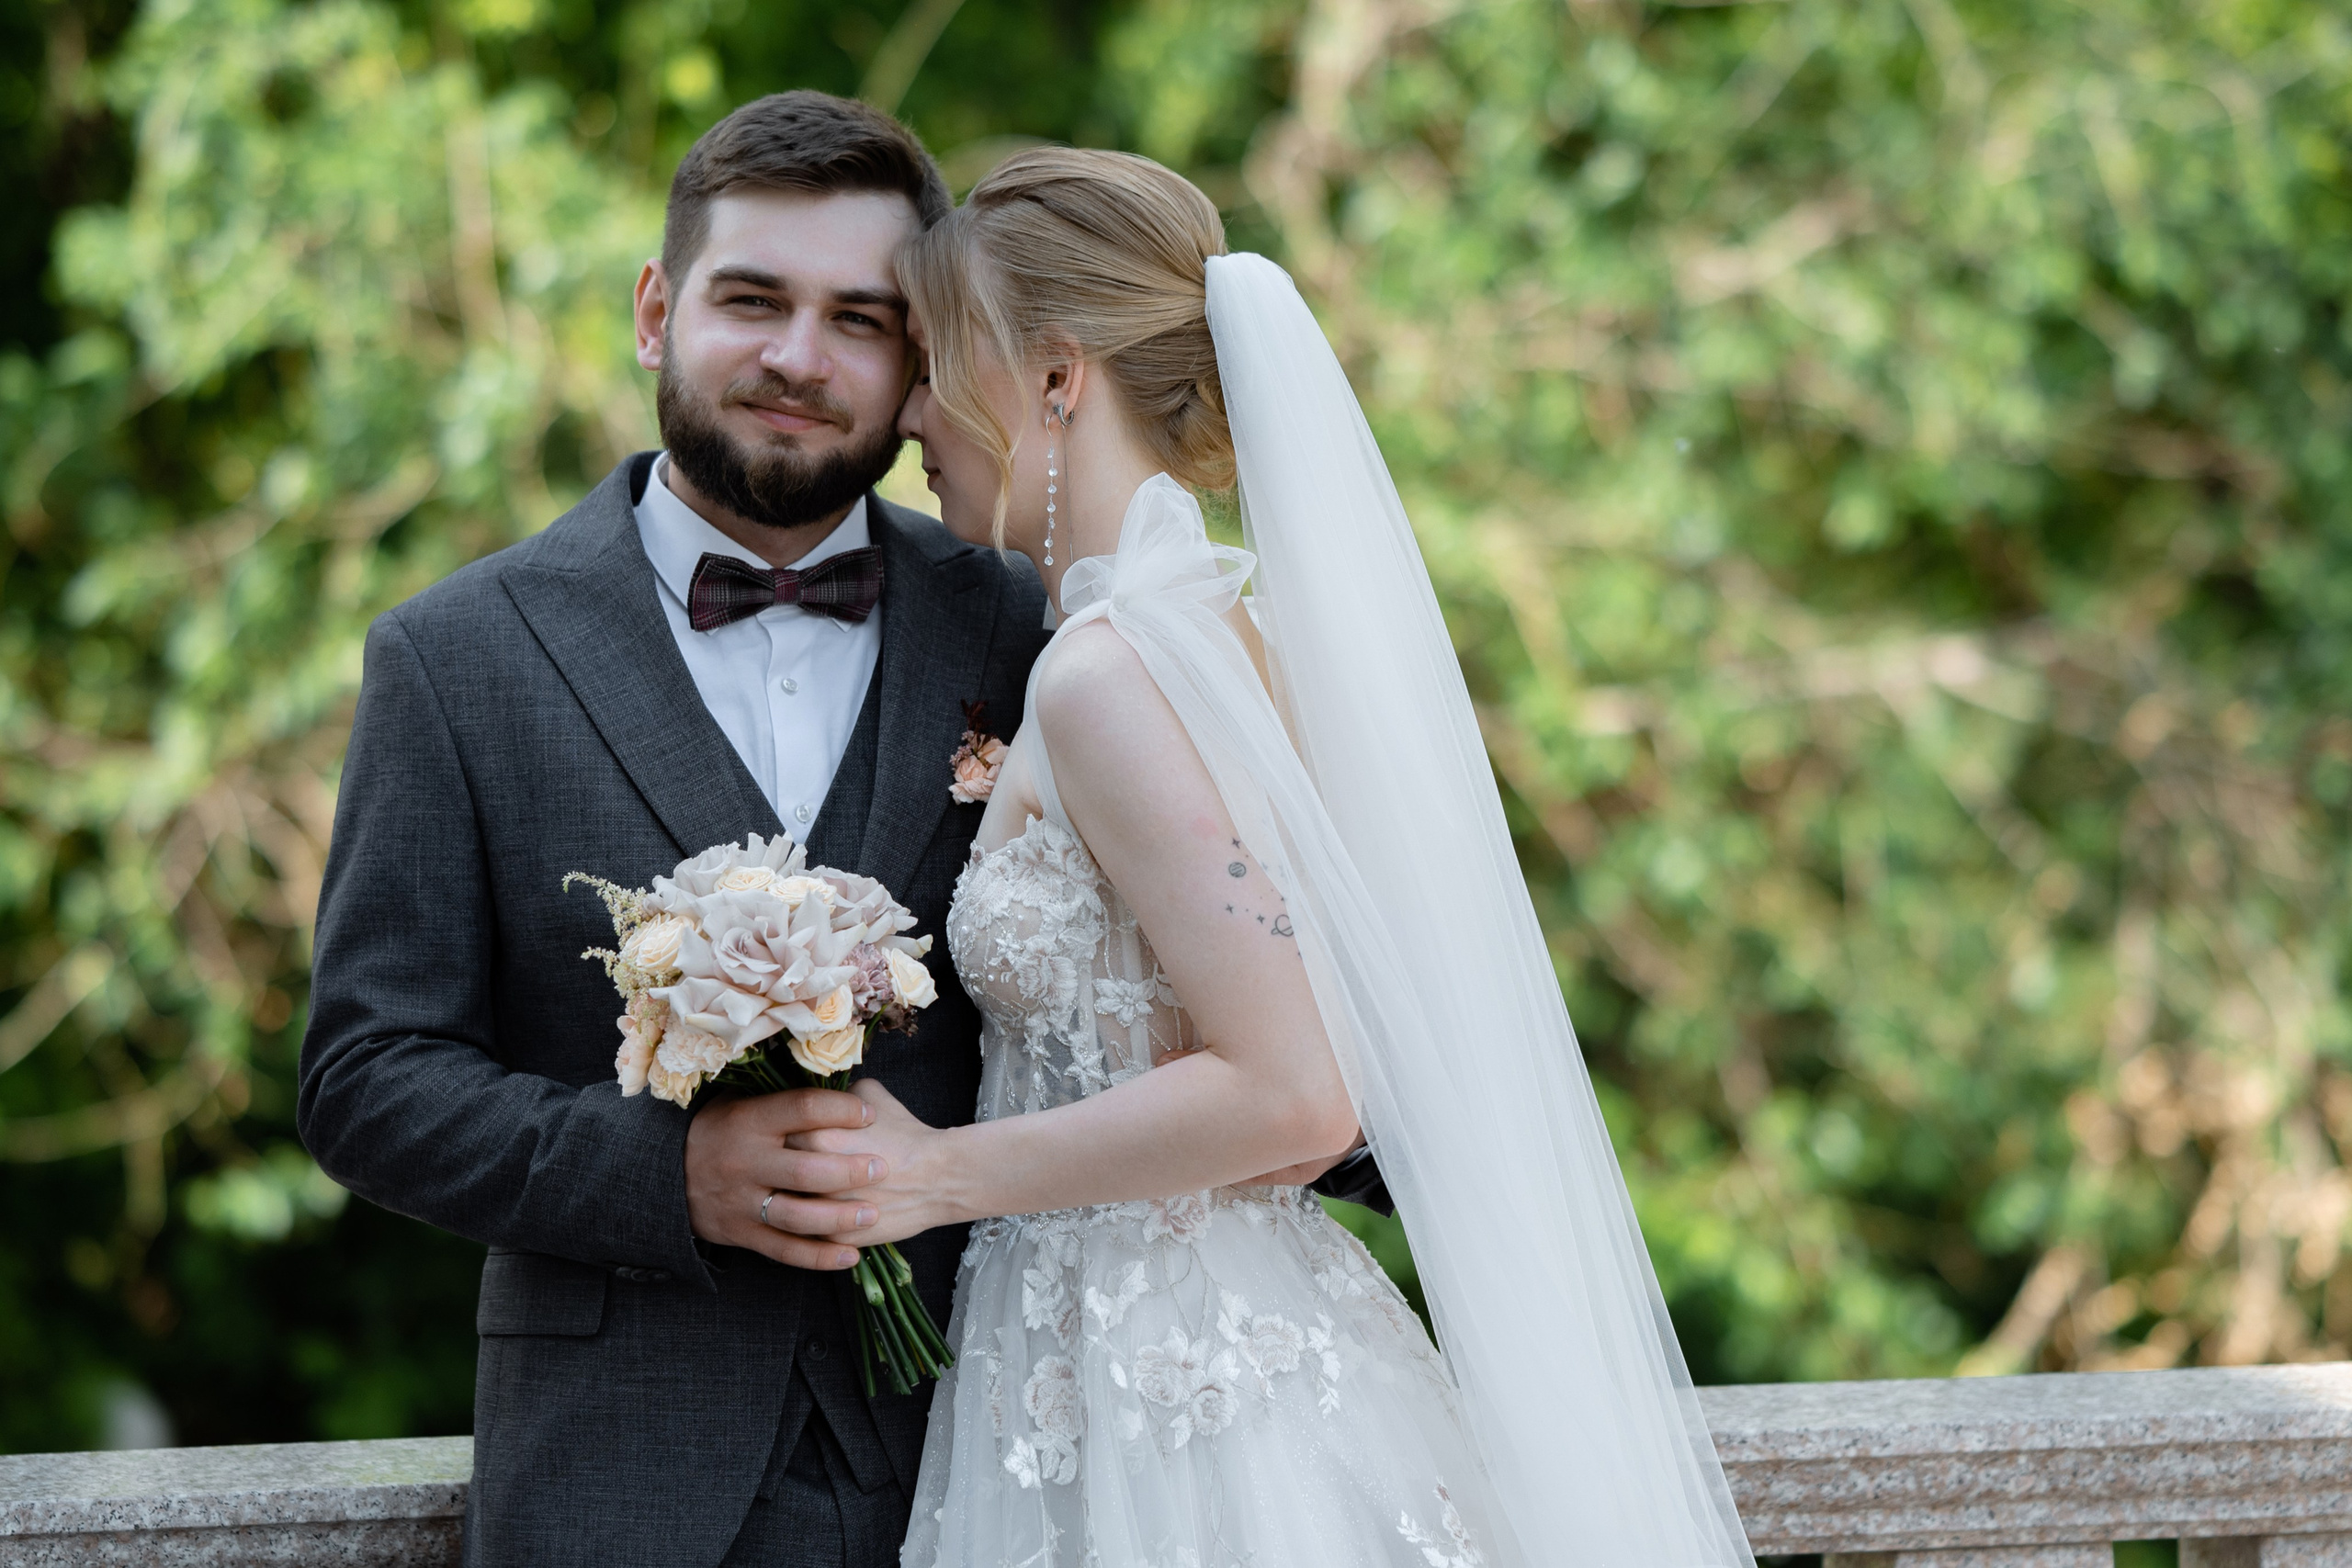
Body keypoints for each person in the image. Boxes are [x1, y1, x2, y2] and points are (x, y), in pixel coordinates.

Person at [789, 149, 1760, 1567]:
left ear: (1057, 378)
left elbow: (1299, 1092)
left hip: (1190, 1406)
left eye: (940, 368)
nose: (914, 417)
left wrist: (936, 1175)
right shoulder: (1222, 639)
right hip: (1144, 1349)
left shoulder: (1109, 675)